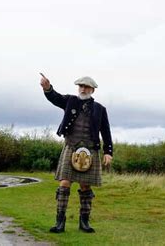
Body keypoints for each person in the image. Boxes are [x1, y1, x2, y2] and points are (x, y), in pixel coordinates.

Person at [40, 73, 113, 233]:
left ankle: (84, 222)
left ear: (92, 90)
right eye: (81, 86)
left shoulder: (100, 109)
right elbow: (55, 97)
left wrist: (108, 152)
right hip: (71, 147)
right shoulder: (70, 101)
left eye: (86, 87)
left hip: (91, 150)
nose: (83, 89)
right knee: (64, 183)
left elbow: (106, 132)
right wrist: (47, 89)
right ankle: (60, 222)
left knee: (85, 186)